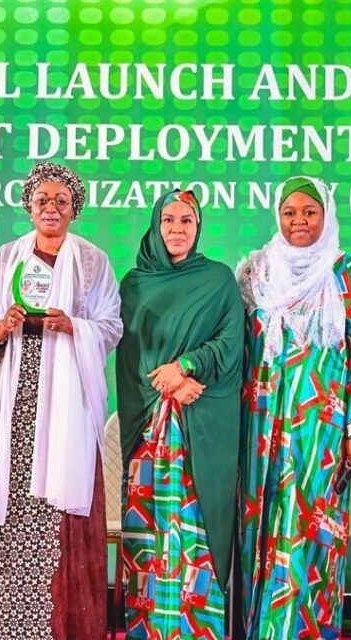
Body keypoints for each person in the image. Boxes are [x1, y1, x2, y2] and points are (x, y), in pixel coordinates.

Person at [0, 162, 122, 639]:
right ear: (28, 207)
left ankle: (67, 627)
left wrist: (74, 326)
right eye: (42, 200)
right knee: (14, 511)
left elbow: (111, 325)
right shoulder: (6, 258)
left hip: (68, 406)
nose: (51, 208)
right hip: (14, 403)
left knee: (63, 513)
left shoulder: (92, 261)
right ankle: (12, 628)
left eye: (61, 201)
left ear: (75, 208)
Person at [237, 176, 351, 639]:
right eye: (289, 212)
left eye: (309, 212)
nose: (299, 221)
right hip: (260, 426)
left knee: (313, 531)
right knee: (259, 529)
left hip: (321, 431)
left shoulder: (349, 275)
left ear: (326, 214)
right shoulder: (256, 271)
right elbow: (236, 346)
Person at [116, 190, 243, 639]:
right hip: (149, 429)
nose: (176, 229)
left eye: (186, 220)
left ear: (198, 227)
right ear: (155, 225)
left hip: (199, 423)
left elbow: (231, 343)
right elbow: (130, 352)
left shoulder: (218, 280)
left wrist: (187, 366)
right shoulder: (134, 284)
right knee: (147, 535)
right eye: (168, 220)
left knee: (195, 533)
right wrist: (168, 381)